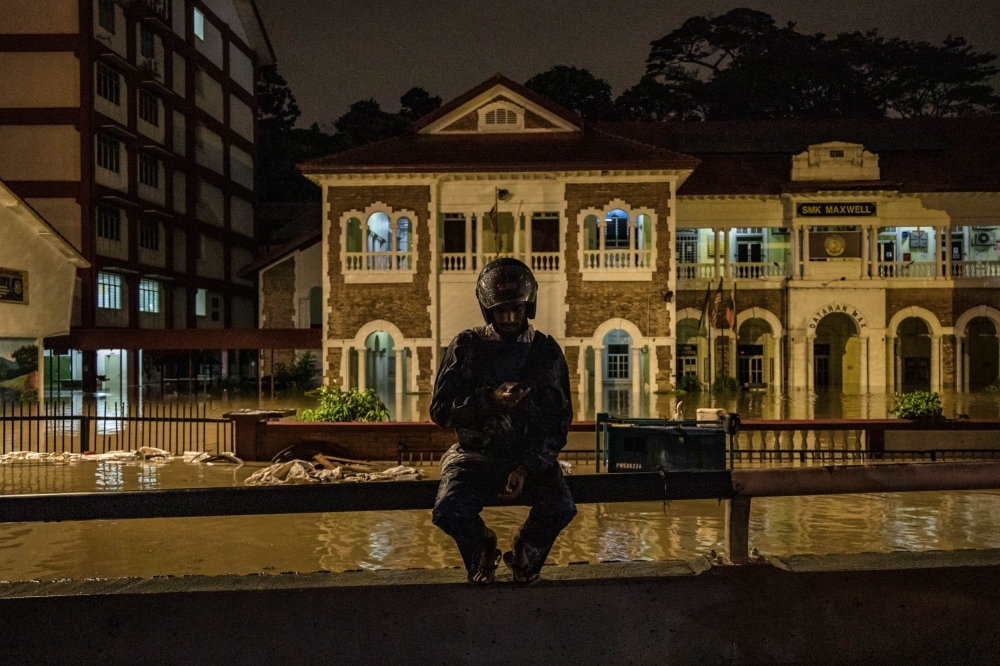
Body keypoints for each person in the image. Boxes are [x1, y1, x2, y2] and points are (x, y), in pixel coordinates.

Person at [430, 258, 576, 585]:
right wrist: (489, 401)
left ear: (528, 307)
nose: (510, 317)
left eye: (516, 309)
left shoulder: (546, 353)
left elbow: (559, 419)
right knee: (448, 508)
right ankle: (481, 546)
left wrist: (529, 465)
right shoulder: (465, 348)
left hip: (531, 458)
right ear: (488, 311)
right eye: (501, 311)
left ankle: (525, 551)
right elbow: (440, 410)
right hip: (474, 457)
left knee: (561, 506)